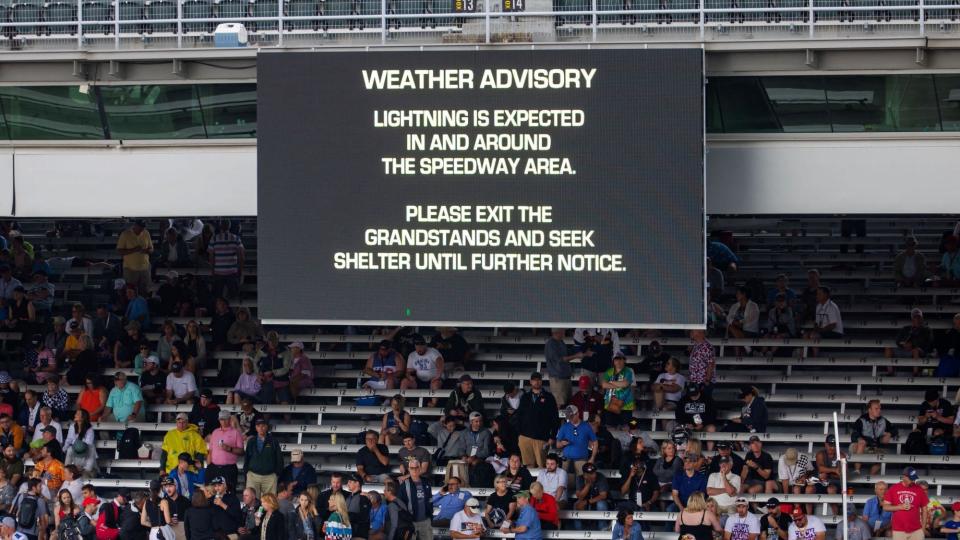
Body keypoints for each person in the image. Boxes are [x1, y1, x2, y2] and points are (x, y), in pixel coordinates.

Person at [513, 372, 559, 468]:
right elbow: (519, 416)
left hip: (541, 438)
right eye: (534, 380)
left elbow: (555, 418)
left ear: (541, 381)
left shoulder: (549, 397)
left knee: (542, 466)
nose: (536, 382)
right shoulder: (525, 397)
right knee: (528, 466)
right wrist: (519, 434)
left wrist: (552, 436)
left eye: (538, 380)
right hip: (525, 437)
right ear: (530, 382)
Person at [850, 400, 898, 476]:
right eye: (876, 409)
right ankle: (857, 471)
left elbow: (895, 429)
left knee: (884, 456)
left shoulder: (883, 420)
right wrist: (860, 439)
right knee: (861, 443)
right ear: (869, 410)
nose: (879, 410)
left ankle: (869, 477)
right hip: (860, 447)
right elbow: (854, 435)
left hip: (873, 448)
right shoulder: (861, 420)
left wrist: (889, 434)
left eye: (880, 408)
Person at [882, 467, 929, 540]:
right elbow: (885, 507)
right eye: (910, 478)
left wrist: (923, 528)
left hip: (916, 530)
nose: (912, 481)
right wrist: (900, 507)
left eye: (913, 478)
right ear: (904, 477)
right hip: (899, 530)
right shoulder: (894, 488)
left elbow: (925, 510)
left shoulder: (919, 489)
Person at [544, 328, 586, 407]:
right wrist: (576, 356)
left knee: (568, 402)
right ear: (557, 332)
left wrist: (578, 348)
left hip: (565, 376)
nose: (564, 333)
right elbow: (560, 359)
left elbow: (567, 353)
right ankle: (557, 419)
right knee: (559, 403)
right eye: (563, 331)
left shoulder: (561, 342)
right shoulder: (551, 344)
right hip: (557, 378)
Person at [885, 309, 934, 374]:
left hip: (918, 350)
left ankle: (915, 373)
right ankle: (890, 372)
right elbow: (898, 340)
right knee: (888, 349)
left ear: (921, 318)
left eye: (918, 317)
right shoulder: (905, 328)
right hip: (904, 349)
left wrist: (912, 345)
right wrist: (903, 344)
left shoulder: (927, 330)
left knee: (915, 351)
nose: (917, 319)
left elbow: (929, 343)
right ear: (912, 319)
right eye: (915, 317)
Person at [243, 419, 282, 497]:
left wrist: (277, 473)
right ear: (255, 428)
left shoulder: (273, 441)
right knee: (252, 500)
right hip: (253, 475)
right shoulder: (251, 441)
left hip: (270, 476)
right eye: (258, 426)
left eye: (263, 426)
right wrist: (246, 472)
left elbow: (279, 458)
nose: (261, 428)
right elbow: (247, 458)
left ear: (267, 427)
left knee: (270, 502)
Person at [209, 219, 245, 300]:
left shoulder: (214, 239)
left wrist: (212, 271)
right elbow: (242, 256)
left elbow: (211, 257)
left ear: (220, 226)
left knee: (217, 297)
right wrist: (240, 270)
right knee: (234, 297)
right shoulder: (236, 238)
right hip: (232, 272)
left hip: (218, 272)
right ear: (230, 226)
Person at [207, 411, 244, 489]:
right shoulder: (215, 432)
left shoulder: (236, 432)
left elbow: (241, 451)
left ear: (230, 419)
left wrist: (229, 448)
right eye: (221, 419)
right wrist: (209, 467)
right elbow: (210, 451)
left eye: (225, 419)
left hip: (229, 469)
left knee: (229, 493)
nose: (223, 421)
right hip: (214, 468)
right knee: (212, 493)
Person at [555, 404, 597, 473]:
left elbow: (595, 442)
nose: (570, 419)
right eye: (569, 417)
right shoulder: (564, 427)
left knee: (580, 480)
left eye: (572, 416)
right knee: (566, 481)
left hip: (581, 460)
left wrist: (592, 458)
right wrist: (562, 443)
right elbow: (557, 445)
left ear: (577, 413)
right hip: (566, 460)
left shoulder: (586, 426)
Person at [601, 351, 635, 426]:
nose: (618, 361)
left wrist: (611, 382)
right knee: (611, 429)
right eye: (616, 359)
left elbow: (625, 383)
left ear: (624, 360)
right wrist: (619, 384)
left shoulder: (628, 371)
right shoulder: (609, 371)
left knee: (625, 429)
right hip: (610, 405)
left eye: (620, 359)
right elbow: (603, 385)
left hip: (626, 406)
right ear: (613, 361)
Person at [573, 462, 608, 530]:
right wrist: (588, 484)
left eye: (594, 473)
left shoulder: (600, 477)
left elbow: (603, 495)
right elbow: (580, 497)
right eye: (590, 474)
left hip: (598, 501)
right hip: (586, 502)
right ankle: (578, 531)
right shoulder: (580, 478)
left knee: (601, 504)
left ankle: (602, 528)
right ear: (584, 475)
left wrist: (587, 502)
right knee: (576, 504)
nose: (593, 475)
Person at [346, 474, 371, 540]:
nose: (347, 484)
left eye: (350, 482)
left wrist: (347, 515)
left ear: (357, 483)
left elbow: (364, 517)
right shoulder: (348, 496)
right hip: (348, 534)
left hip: (359, 535)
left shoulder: (363, 498)